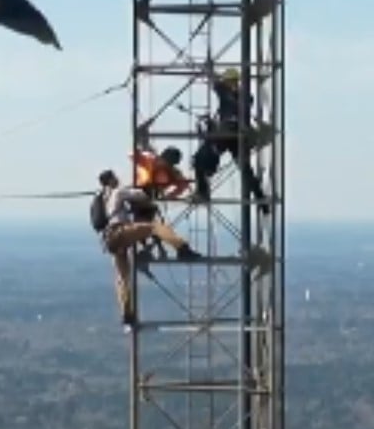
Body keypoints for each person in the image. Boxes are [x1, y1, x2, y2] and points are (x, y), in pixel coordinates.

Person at [94, 169, 202, 327]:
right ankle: (182, 248)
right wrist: (144, 189)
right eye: (115, 177)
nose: (117, 179)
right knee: (154, 227)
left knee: (122, 277)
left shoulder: (101, 198)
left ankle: (127, 313)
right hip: (119, 232)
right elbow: (141, 196)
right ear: (111, 180)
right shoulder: (117, 192)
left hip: (109, 240)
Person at [190, 68, 269, 214]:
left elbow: (216, 82)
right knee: (246, 170)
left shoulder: (224, 91)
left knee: (199, 159)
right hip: (240, 136)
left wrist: (210, 68)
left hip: (225, 134)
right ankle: (261, 200)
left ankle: (203, 192)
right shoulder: (246, 96)